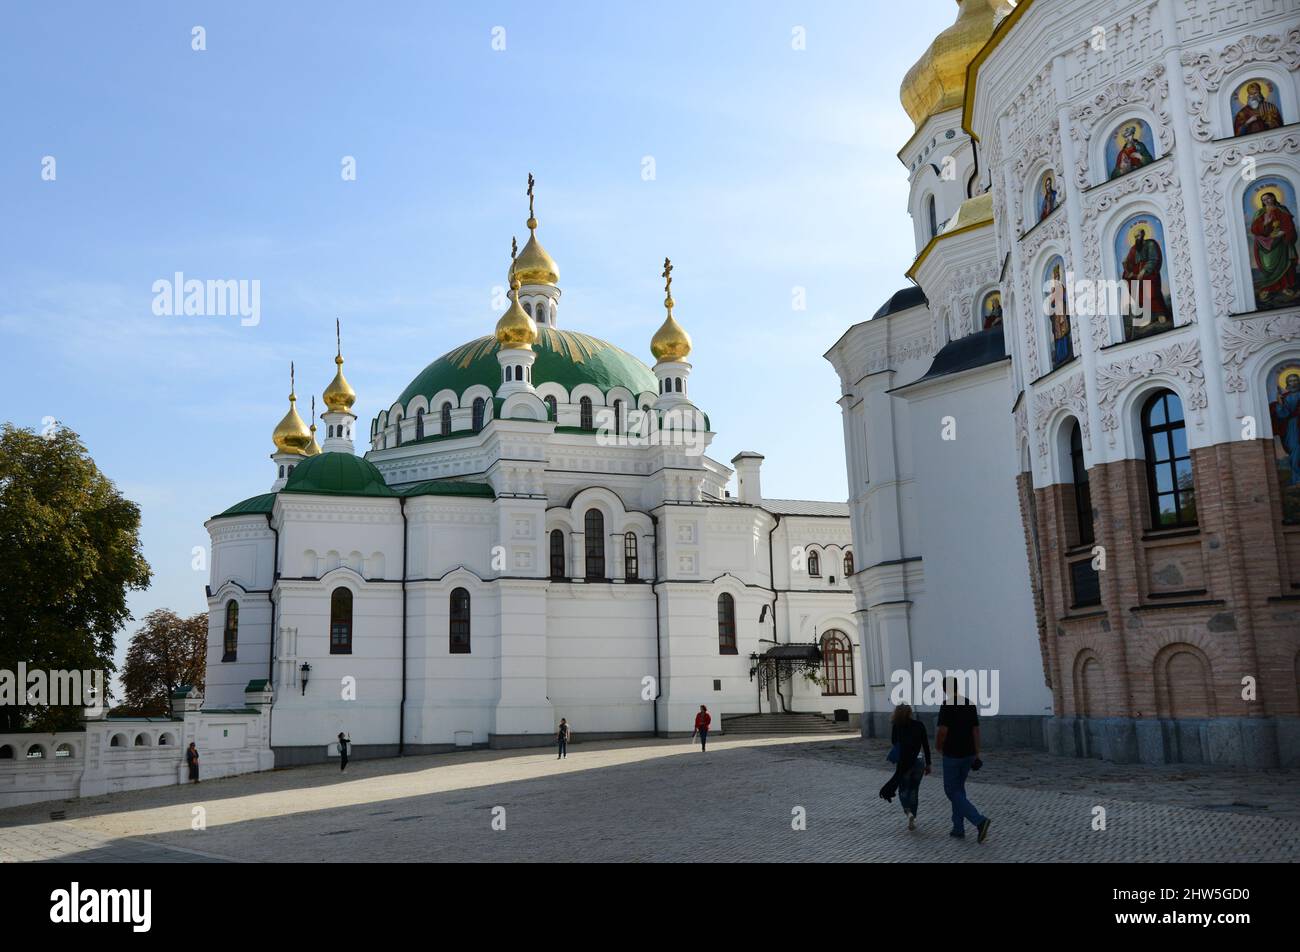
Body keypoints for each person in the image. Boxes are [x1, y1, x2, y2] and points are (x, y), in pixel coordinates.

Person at [936, 678, 990, 843]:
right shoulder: (970, 704)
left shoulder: (947, 705)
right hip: (968, 754)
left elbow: (943, 731)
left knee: (951, 791)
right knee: (959, 790)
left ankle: (979, 821)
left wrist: (938, 746)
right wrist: (977, 753)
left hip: (952, 754)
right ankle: (958, 828)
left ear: (945, 689)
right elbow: (976, 730)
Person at [878, 704, 931, 831]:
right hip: (919, 761)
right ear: (910, 713)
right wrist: (928, 764)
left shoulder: (897, 726)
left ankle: (908, 813)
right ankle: (914, 817)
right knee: (914, 790)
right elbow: (926, 745)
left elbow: (894, 742)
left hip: (904, 762)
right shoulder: (919, 725)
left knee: (903, 790)